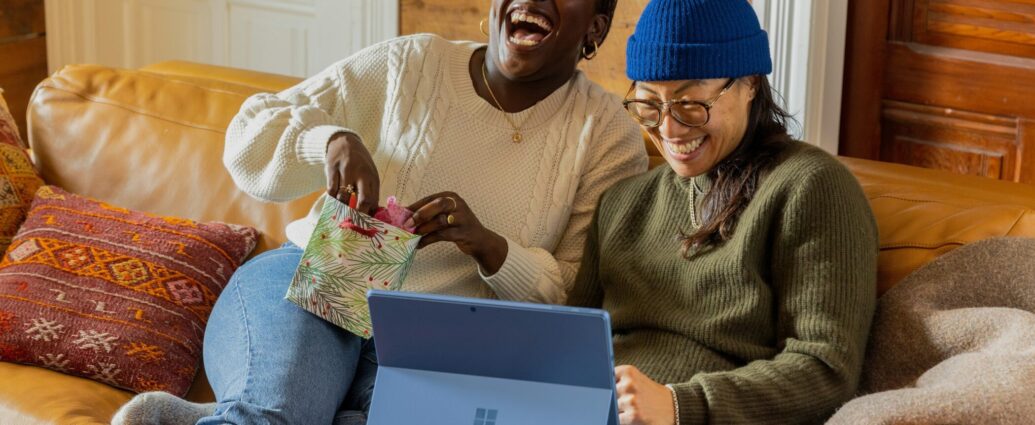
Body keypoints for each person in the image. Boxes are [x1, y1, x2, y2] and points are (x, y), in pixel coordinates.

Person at [111, 0, 647, 424]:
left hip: (436, 341)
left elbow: (578, 295)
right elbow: (249, 134)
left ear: (595, 29)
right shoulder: (411, 64)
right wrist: (330, 141)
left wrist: (490, 246)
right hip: (317, 280)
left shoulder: (607, 137)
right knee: (275, 415)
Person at [566, 0, 879, 424]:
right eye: (648, 105)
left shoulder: (809, 187)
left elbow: (825, 368)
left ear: (749, 83)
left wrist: (682, 406)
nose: (669, 129)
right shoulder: (621, 204)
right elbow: (570, 346)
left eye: (690, 103)